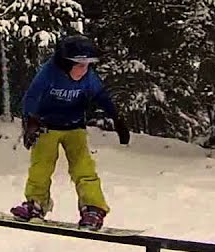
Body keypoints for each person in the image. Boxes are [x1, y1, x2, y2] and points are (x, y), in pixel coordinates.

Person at [11, 34, 131, 231]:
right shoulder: (49, 72)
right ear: (65, 63)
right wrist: (30, 121)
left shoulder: (89, 77)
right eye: (80, 65)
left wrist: (117, 119)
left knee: (83, 167)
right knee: (41, 166)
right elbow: (32, 96)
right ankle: (36, 203)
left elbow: (101, 96)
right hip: (46, 125)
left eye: (88, 65)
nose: (84, 70)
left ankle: (93, 207)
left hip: (75, 126)